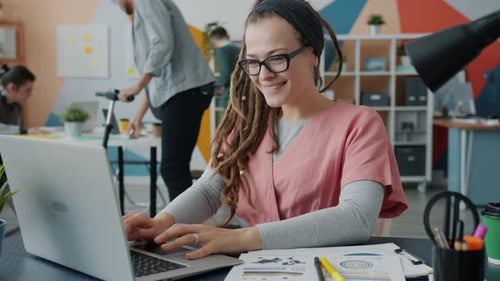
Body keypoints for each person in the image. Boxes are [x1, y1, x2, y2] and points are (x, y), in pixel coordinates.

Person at [123, 0, 408, 260]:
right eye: (254, 62)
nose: (263, 74)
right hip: (259, 267)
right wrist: (161, 223)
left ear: (313, 54)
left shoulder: (360, 124)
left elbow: (355, 218)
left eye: (276, 58)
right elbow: (210, 189)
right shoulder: (248, 124)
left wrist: (241, 238)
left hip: (327, 268)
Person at [114, 0, 215, 200]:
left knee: (172, 168)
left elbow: (162, 44)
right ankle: (187, 227)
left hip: (186, 91)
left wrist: (137, 86)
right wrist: (138, 116)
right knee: (175, 167)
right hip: (184, 92)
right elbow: (159, 78)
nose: (117, 5)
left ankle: (184, 228)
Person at [0, 64, 45, 135]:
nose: (30, 94)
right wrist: (25, 131)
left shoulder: (17, 105)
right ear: (12, 88)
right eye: (28, 90)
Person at [209, 26, 240, 109]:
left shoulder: (222, 51)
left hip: (231, 93)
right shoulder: (238, 49)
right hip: (242, 90)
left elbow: (225, 73)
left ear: (214, 40)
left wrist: (219, 85)